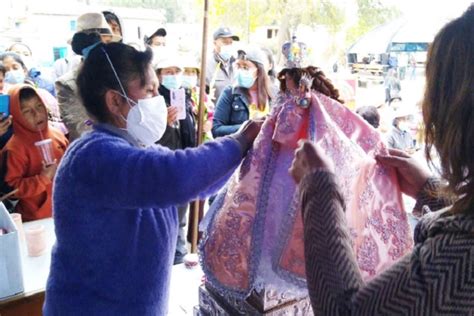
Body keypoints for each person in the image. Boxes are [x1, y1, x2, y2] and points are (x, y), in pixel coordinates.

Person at [43, 42, 262, 315]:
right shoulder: (93, 156)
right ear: (115, 100)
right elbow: (177, 177)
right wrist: (241, 140)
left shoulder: (138, 148)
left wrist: (244, 151)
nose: (159, 99)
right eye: (149, 91)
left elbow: (195, 184)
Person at [290, 5, 474, 314]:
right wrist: (434, 191)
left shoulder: (458, 258)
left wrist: (318, 187)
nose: (422, 104)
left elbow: (346, 311)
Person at [154, 55, 197, 264]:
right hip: (165, 169)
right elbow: (151, 141)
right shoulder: (152, 102)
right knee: (168, 221)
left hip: (184, 166)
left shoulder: (185, 97)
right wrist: (166, 125)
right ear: (159, 76)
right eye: (168, 72)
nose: (173, 76)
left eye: (176, 72)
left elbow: (190, 134)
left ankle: (178, 258)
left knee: (181, 220)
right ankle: (169, 260)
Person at [4, 84, 68, 221]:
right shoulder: (14, 148)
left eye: (39, 106)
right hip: (37, 218)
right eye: (26, 111)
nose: (36, 113)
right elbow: (12, 189)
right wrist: (42, 179)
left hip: (66, 209)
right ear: (16, 116)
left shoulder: (57, 134)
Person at [55, 12, 120, 141]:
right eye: (97, 44)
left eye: (107, 43)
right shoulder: (68, 84)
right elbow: (81, 127)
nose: (103, 48)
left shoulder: (121, 74)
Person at [212, 46, 272, 138]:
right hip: (238, 149)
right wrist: (247, 127)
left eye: (245, 67)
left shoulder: (273, 94)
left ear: (259, 70)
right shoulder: (230, 93)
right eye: (238, 66)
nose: (240, 70)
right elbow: (216, 129)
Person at [205, 26, 239, 102]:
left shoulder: (237, 64)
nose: (228, 46)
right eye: (225, 42)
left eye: (230, 42)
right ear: (214, 43)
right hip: (216, 112)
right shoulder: (207, 66)